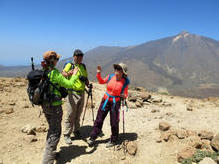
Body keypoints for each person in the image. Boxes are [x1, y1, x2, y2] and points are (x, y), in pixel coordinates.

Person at [41, 50, 80, 164]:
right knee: (55, 133)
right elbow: (69, 84)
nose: (58, 61)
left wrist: (66, 74)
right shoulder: (54, 73)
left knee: (52, 129)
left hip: (45, 106)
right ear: (53, 61)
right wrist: (75, 75)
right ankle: (47, 160)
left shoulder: (45, 71)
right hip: (55, 107)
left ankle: (51, 153)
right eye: (57, 59)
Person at [87, 63, 130, 148]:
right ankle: (93, 137)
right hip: (105, 100)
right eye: (116, 68)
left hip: (115, 102)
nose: (116, 70)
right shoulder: (110, 77)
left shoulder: (125, 82)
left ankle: (114, 139)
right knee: (99, 119)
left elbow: (125, 94)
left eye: (119, 69)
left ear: (123, 72)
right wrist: (98, 73)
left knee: (114, 122)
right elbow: (101, 81)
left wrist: (123, 96)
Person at [62, 49, 89, 145]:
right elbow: (63, 73)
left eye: (81, 56)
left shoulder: (83, 66)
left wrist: (87, 84)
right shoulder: (70, 64)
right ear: (74, 56)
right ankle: (66, 134)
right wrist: (69, 73)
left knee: (78, 113)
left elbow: (86, 78)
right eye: (77, 56)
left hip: (82, 92)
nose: (79, 57)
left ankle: (76, 131)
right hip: (72, 93)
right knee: (70, 114)